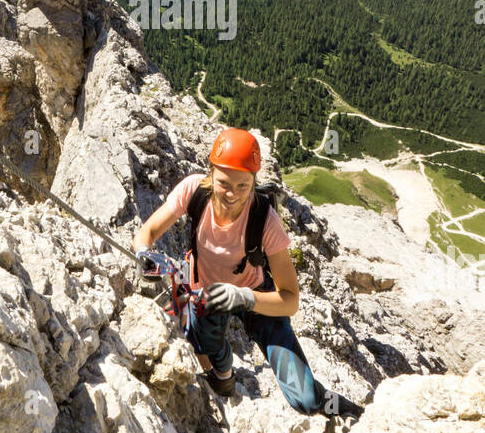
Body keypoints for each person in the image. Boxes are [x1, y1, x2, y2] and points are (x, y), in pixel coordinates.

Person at [132, 127, 362, 417]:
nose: (233, 194)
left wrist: (243, 297)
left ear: (254, 181)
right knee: (202, 333)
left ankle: (341, 408)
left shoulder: (265, 220)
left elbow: (290, 299)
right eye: (225, 183)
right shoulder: (194, 191)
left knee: (304, 400)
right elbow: (149, 230)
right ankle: (224, 378)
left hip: (256, 296)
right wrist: (144, 253)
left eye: (244, 186)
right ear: (210, 173)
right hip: (209, 293)